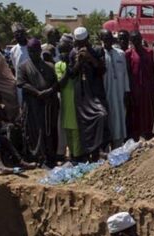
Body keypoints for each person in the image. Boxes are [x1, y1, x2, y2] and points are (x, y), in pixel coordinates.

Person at [16, 39, 59, 167]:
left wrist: (49, 91)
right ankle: (40, 158)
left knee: (50, 130)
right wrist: (37, 93)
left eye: (35, 51)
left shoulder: (49, 66)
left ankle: (51, 157)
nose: (32, 53)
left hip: (49, 104)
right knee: (36, 131)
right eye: (30, 51)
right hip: (33, 105)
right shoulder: (23, 66)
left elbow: (56, 83)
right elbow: (21, 83)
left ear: (40, 50)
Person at [70, 27, 110, 161]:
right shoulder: (73, 53)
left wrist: (91, 58)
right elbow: (71, 74)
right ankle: (88, 153)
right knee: (84, 123)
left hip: (96, 91)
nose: (81, 45)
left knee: (102, 115)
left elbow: (102, 70)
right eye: (78, 43)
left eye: (83, 42)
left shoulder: (98, 50)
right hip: (82, 93)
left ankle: (100, 149)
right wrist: (78, 62)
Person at [99, 29, 130, 149]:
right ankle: (106, 148)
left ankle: (117, 146)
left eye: (109, 38)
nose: (107, 41)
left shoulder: (120, 54)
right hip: (106, 94)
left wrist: (127, 91)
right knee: (108, 120)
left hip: (119, 93)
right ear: (101, 40)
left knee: (119, 119)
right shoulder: (100, 54)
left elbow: (125, 74)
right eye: (104, 38)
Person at [126, 31, 154, 141]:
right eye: (133, 40)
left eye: (138, 39)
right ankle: (136, 134)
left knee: (148, 110)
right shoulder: (128, 54)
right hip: (135, 88)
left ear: (141, 39)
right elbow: (128, 72)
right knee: (136, 111)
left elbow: (153, 70)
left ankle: (148, 132)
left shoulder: (149, 52)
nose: (136, 42)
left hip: (148, 87)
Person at [55, 37, 81, 160]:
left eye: (65, 51)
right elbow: (61, 83)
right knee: (68, 129)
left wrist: (72, 65)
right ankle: (71, 153)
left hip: (76, 100)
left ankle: (77, 154)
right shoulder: (59, 65)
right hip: (66, 101)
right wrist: (68, 67)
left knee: (76, 129)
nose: (63, 54)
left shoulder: (76, 63)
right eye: (61, 52)